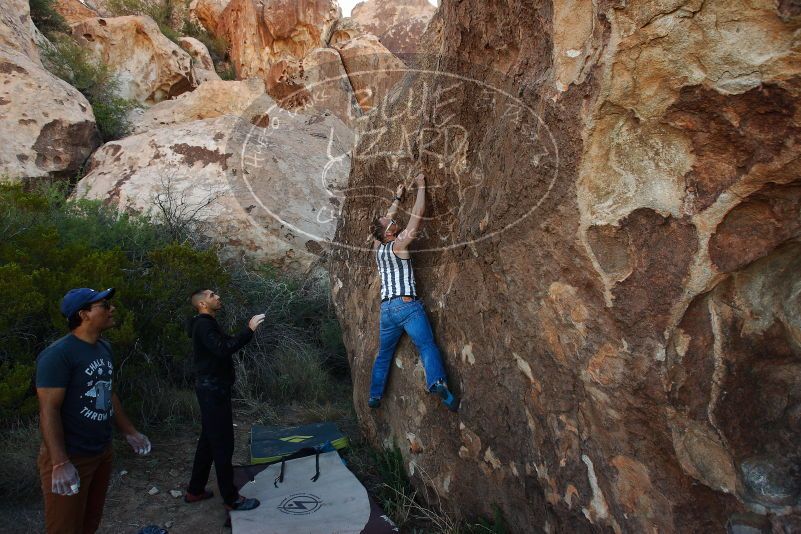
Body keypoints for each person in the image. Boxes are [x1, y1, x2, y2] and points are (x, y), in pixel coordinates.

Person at [36, 287, 151, 534]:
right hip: (71, 457)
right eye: (104, 305)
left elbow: (108, 393)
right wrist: (59, 462)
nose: (112, 308)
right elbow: (49, 409)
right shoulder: (58, 355)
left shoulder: (104, 348)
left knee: (90, 521)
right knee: (65, 528)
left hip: (101, 451)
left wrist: (130, 432)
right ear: (84, 314)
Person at [367, 173, 459, 412]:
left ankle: (375, 396)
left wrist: (397, 198)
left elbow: (385, 219)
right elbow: (416, 217)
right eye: (389, 223)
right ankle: (438, 383)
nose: (392, 221)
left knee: (384, 354)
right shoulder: (399, 244)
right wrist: (421, 186)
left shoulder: (377, 247)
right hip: (407, 306)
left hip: (387, 310)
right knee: (427, 345)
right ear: (387, 232)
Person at [185, 289, 265, 514]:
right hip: (213, 391)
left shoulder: (206, 323)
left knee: (209, 441)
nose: (218, 297)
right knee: (222, 443)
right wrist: (248, 330)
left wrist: (244, 333)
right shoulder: (203, 325)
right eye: (212, 295)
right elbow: (223, 349)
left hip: (212, 389)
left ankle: (195, 490)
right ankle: (231, 498)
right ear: (202, 303)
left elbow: (224, 343)